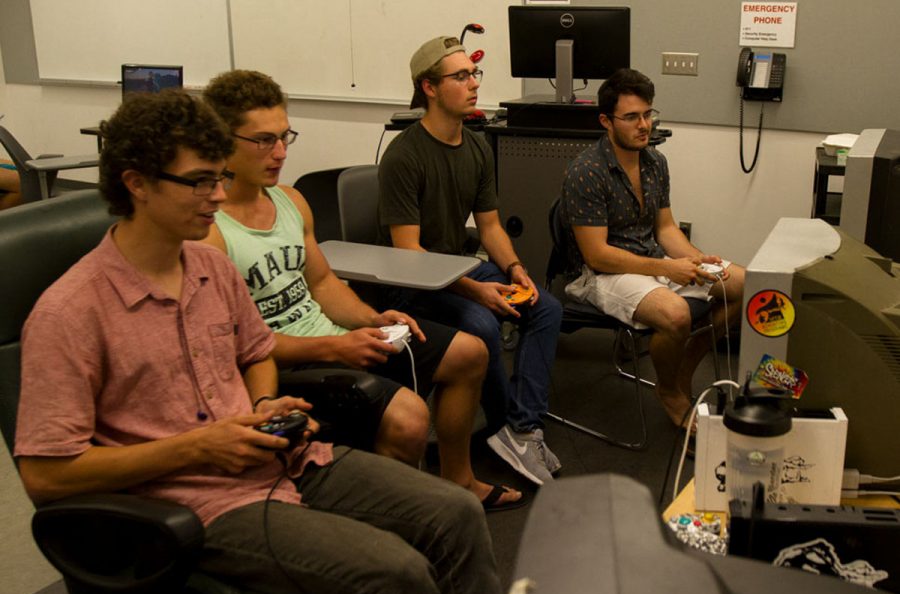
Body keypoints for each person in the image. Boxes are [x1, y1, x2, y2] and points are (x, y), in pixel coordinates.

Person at [14, 90, 503, 594]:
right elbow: (47, 475)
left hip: (284, 461)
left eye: (218, 178)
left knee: (456, 514)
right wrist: (198, 446)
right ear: (136, 184)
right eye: (200, 182)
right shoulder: (69, 313)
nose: (219, 196)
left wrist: (267, 404)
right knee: (394, 573)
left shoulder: (211, 269)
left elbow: (256, 354)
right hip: (191, 503)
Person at [201, 69, 522, 510]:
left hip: (332, 338)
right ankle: (403, 516)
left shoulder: (290, 201)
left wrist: (372, 319)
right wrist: (336, 347)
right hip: (288, 364)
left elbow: (321, 282)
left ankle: (460, 481)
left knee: (470, 353)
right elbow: (239, 347)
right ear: (221, 141)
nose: (279, 152)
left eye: (284, 137)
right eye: (263, 141)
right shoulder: (209, 231)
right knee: (410, 419)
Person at [378, 36, 564, 486]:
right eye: (460, 76)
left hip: (459, 267)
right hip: (415, 281)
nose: (473, 83)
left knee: (545, 308)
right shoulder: (404, 155)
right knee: (481, 323)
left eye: (473, 73)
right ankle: (504, 425)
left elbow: (491, 227)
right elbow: (409, 254)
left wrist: (515, 270)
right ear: (429, 87)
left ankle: (522, 426)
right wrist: (476, 290)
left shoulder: (477, 146)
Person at [558, 68, 745, 428]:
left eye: (647, 114)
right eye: (631, 117)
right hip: (605, 274)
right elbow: (597, 255)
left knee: (740, 285)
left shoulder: (656, 162)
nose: (643, 125)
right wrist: (669, 269)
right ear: (606, 121)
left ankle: (682, 373)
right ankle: (670, 391)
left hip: (649, 263)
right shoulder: (586, 171)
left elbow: (665, 229)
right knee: (676, 315)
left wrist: (692, 258)